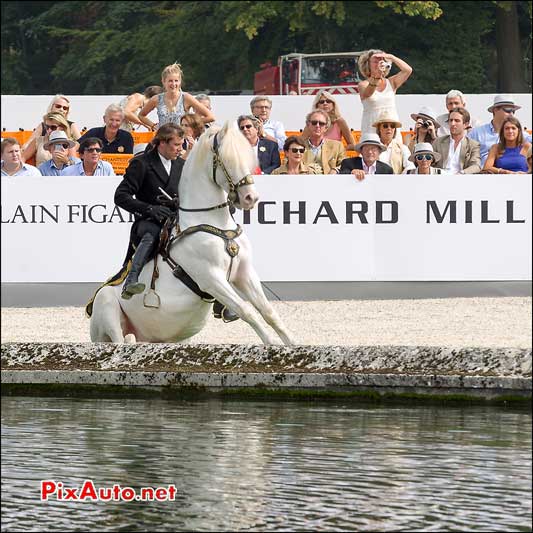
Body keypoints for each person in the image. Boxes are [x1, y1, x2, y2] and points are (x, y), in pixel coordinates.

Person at [114, 123, 238, 322]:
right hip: (149, 220)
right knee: (152, 234)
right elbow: (121, 196)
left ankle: (220, 301)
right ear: (162, 143)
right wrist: (150, 208)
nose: (180, 149)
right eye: (176, 145)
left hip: (176, 219)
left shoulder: (182, 165)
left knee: (206, 244)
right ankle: (132, 278)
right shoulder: (142, 163)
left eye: (182, 145)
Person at [138, 63, 215, 130]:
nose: (173, 84)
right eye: (170, 81)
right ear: (164, 81)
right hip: (162, 140)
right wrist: (153, 125)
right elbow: (141, 115)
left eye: (176, 81)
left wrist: (189, 124)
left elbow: (210, 117)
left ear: (180, 82)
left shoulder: (186, 97)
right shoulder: (156, 99)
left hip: (181, 140)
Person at [358, 49, 412, 141]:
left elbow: (408, 70)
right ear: (368, 65)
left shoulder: (391, 82)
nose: (379, 63)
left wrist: (391, 57)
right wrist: (377, 76)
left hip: (391, 127)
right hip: (372, 126)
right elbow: (368, 93)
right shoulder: (363, 84)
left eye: (381, 60)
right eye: (375, 61)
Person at [469, 94, 524, 166]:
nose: (511, 114)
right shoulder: (477, 133)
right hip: (482, 174)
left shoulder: (518, 132)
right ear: (495, 110)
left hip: (510, 173)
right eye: (508, 110)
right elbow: (462, 151)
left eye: (513, 111)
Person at [433, 107, 481, 174]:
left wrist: (462, 173)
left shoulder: (473, 145)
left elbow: (476, 166)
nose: (452, 123)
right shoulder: (438, 142)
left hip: (461, 179)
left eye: (457, 121)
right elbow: (430, 163)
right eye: (451, 120)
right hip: (439, 178)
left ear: (466, 124)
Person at [301, 109, 345, 174]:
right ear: (308, 125)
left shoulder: (337, 146)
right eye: (314, 123)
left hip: (329, 182)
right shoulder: (298, 146)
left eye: (321, 123)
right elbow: (286, 165)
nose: (317, 126)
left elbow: (345, 165)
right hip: (304, 181)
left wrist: (336, 170)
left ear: (326, 127)